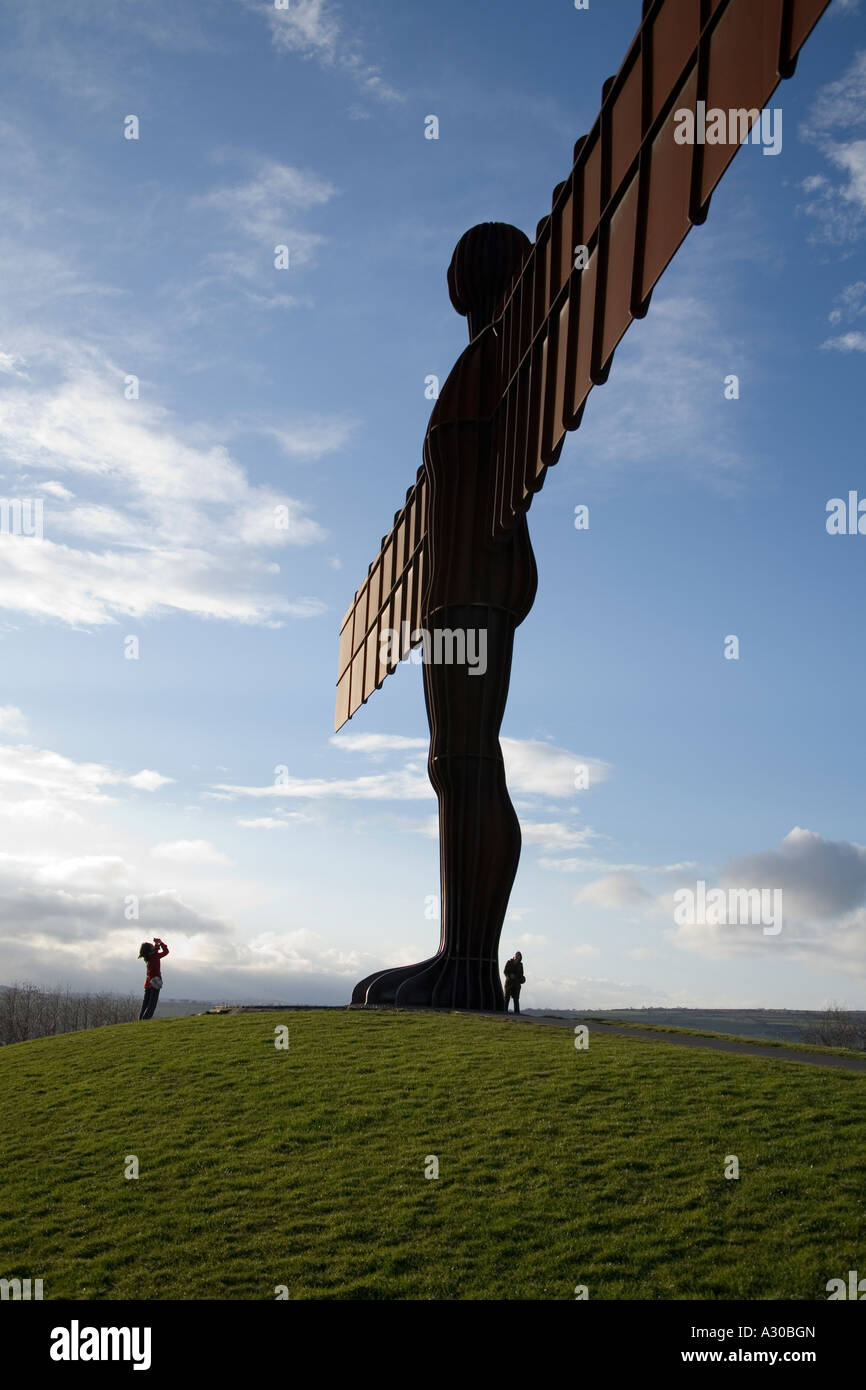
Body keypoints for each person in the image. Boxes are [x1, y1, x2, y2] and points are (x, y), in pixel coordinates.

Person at [138, 937, 169, 1020]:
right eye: (152, 946)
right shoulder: (155, 956)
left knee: (145, 1004)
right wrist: (161, 943)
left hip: (148, 983)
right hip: (155, 982)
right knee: (152, 1005)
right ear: (150, 950)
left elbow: (154, 950)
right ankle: (145, 1020)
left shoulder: (148, 957)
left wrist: (156, 944)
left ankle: (140, 1020)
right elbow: (166, 952)